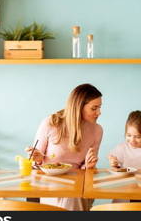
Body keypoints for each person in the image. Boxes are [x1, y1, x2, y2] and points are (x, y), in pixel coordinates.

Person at [25, 83, 103, 211]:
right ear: (79, 107)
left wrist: (89, 166)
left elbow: (87, 167)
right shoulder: (51, 123)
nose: (99, 113)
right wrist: (37, 158)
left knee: (73, 195)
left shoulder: (97, 130)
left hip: (78, 182)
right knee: (72, 196)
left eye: (99, 107)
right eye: (94, 108)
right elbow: (33, 163)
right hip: (49, 182)